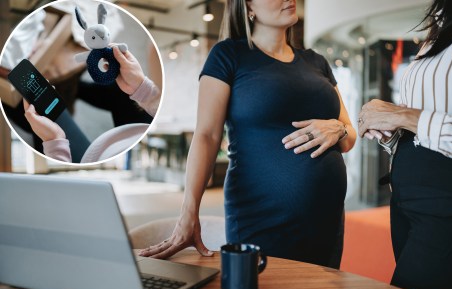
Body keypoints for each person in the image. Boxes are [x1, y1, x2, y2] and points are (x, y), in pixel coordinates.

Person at [139, 0, 356, 268]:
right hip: (261, 214)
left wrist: (339, 128)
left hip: (326, 217)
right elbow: (207, 135)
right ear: (248, 8)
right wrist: (189, 212)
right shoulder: (228, 56)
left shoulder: (317, 63)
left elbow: (348, 137)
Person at [358, 0, 452, 289]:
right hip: (406, 197)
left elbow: (419, 118)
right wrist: (388, 129)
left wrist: (401, 116)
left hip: (446, 200)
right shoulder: (442, 19)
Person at [24, 46, 161, 163]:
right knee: (120, 91)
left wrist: (54, 140)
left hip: (89, 157)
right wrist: (142, 89)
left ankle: (68, 88)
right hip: (130, 133)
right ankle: (74, 87)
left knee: (35, 98)